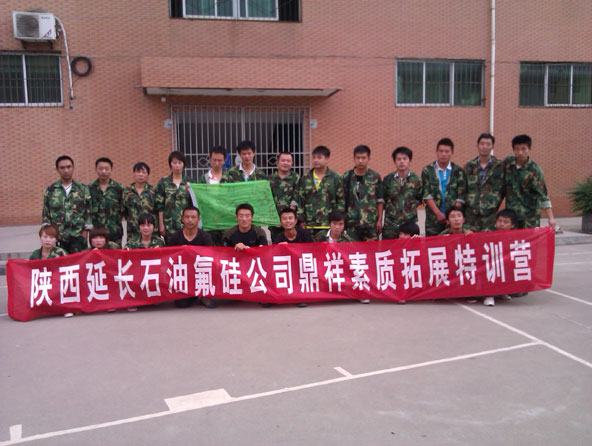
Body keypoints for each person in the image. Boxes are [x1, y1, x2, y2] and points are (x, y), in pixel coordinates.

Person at [503, 134, 557, 229]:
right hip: (512, 216)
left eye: (523, 149)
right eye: (517, 149)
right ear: (513, 150)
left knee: (529, 239)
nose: (520, 152)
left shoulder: (535, 170)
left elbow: (543, 195)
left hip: (530, 217)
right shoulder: (508, 163)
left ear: (529, 149)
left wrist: (551, 218)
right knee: (512, 238)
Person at [167, 206, 215, 308]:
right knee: (181, 304)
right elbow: (168, 257)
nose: (190, 220)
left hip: (201, 273)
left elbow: (212, 257)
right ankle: (191, 295)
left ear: (198, 219)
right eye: (187, 217)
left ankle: (204, 295)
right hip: (183, 275)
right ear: (182, 219)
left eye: (193, 217)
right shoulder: (175, 237)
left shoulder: (205, 236)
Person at [42, 155, 92, 253]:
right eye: (62, 168)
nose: (66, 170)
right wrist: (49, 234)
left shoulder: (82, 188)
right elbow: (46, 212)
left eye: (69, 167)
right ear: (57, 169)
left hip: (78, 236)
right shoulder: (51, 190)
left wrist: (85, 232)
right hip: (58, 236)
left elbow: (88, 211)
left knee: (79, 261)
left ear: (73, 168)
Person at [298, 146, 345, 241]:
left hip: (328, 224)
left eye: (319, 157)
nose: (316, 160)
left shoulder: (335, 177)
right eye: (314, 157)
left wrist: (337, 221)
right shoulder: (305, 178)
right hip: (309, 224)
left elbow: (341, 200)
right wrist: (301, 219)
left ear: (327, 159)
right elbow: (300, 199)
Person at [422, 138, 467, 236]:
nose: (443, 154)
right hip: (433, 219)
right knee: (433, 243)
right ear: (436, 152)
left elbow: (461, 195)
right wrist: (438, 213)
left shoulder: (458, 171)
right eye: (441, 151)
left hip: (453, 220)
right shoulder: (427, 170)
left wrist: (452, 216)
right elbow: (426, 194)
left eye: (447, 151)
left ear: (452, 152)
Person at [322, 210, 368, 303]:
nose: (337, 227)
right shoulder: (320, 237)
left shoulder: (348, 239)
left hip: (341, 267)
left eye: (340, 224)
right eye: (334, 224)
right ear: (329, 224)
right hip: (325, 267)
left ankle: (358, 292)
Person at [272, 208, 313, 307]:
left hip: (303, 265)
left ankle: (301, 295)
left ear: (295, 221)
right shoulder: (278, 237)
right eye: (284, 219)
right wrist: (279, 248)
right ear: (280, 222)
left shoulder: (304, 233)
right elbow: (274, 256)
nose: (287, 221)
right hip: (287, 267)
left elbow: (311, 251)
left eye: (290, 218)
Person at [342, 145, 384, 241]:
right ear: (353, 158)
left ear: (369, 158)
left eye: (363, 158)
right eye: (358, 158)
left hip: (370, 223)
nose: (360, 161)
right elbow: (342, 200)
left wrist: (379, 220)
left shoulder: (375, 177)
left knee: (371, 249)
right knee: (351, 249)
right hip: (351, 223)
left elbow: (380, 200)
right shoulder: (347, 176)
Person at [464, 133, 505, 232]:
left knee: (489, 239)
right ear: (477, 145)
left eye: (488, 144)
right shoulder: (469, 166)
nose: (484, 147)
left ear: (492, 146)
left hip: (490, 214)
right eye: (482, 144)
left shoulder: (500, 166)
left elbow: (503, 189)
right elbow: (463, 189)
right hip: (471, 215)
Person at [382, 147, 423, 239]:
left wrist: (410, 207)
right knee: (390, 247)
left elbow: (420, 198)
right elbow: (383, 198)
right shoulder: (388, 180)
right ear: (394, 161)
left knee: (409, 247)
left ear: (410, 160)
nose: (402, 161)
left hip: (409, 225)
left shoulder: (416, 180)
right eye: (398, 159)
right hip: (391, 225)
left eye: (404, 159)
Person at [482, 209, 519, 306]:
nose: (502, 224)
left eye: (505, 222)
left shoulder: (515, 235)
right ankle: (489, 295)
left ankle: (503, 291)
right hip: (490, 262)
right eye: (500, 221)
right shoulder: (488, 232)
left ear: (512, 225)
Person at [155, 151, 193, 242]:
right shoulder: (163, 182)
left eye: (180, 163)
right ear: (170, 164)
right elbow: (160, 206)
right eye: (174, 163)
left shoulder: (189, 182)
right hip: (169, 226)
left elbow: (194, 204)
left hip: (186, 225)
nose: (177, 166)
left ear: (183, 164)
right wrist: (161, 224)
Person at [88, 157, 124, 247]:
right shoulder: (89, 188)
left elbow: (123, 210)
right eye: (100, 169)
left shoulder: (119, 188)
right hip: (96, 235)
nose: (103, 171)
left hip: (115, 233)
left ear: (111, 170)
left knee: (115, 255)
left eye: (106, 169)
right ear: (95, 169)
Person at [198, 146, 227, 245]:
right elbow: (199, 199)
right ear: (210, 159)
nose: (217, 163)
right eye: (214, 160)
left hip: (226, 220)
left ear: (225, 160)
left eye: (220, 160)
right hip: (209, 221)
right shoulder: (204, 178)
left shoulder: (230, 178)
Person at [122, 162, 157, 242]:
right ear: (134, 174)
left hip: (150, 231)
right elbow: (124, 211)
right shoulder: (126, 192)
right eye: (138, 172)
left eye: (144, 172)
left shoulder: (154, 191)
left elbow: (158, 209)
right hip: (133, 231)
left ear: (148, 175)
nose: (141, 175)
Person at [269, 152, 300, 239]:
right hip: (275, 219)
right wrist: (275, 218)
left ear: (292, 163)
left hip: (290, 220)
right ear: (277, 162)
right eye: (283, 160)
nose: (285, 163)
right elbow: (267, 199)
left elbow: (296, 196)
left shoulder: (296, 178)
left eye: (288, 161)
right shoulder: (270, 178)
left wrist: (288, 217)